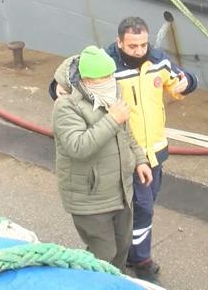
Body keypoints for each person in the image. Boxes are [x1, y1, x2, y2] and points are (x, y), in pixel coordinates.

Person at [50, 17, 198, 284]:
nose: (140, 51)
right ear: (119, 42)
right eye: (133, 46)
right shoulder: (102, 72)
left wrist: (187, 82)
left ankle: (127, 261)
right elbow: (71, 87)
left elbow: (181, 80)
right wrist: (56, 87)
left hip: (149, 153)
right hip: (107, 172)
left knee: (141, 211)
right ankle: (138, 261)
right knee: (125, 225)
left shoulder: (156, 60)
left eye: (143, 45)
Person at [52, 45, 152, 271]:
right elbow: (78, 147)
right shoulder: (66, 107)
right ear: (86, 81)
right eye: (102, 78)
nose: (109, 82)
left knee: (122, 247)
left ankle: (114, 283)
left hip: (121, 191)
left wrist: (140, 160)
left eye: (111, 76)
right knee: (103, 252)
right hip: (90, 197)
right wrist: (112, 119)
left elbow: (127, 134)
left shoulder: (114, 94)